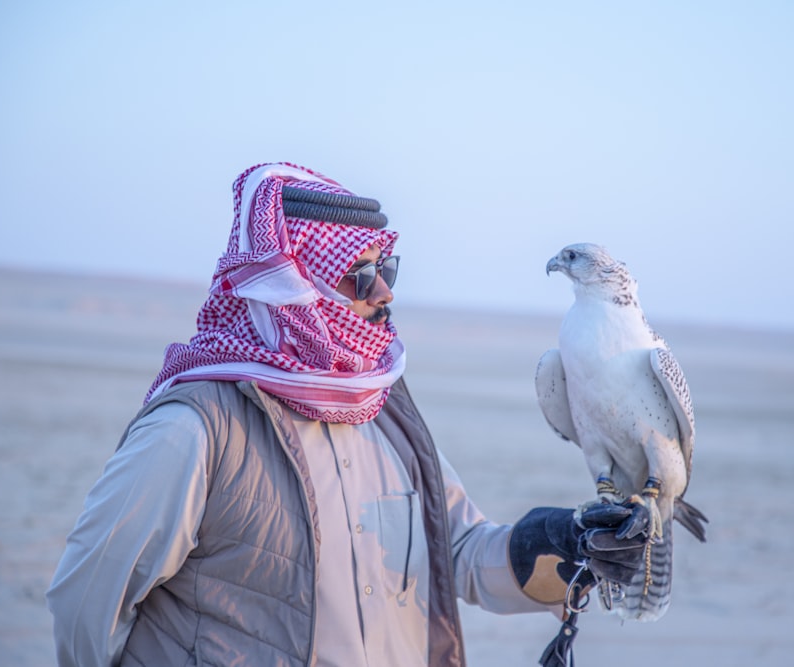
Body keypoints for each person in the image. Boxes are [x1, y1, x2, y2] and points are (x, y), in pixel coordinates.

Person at [47, 162, 645, 667]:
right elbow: (85, 605)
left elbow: (459, 552)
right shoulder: (194, 430)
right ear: (290, 287)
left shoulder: (386, 415)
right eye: (363, 276)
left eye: (389, 270)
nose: (384, 293)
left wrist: (570, 542)